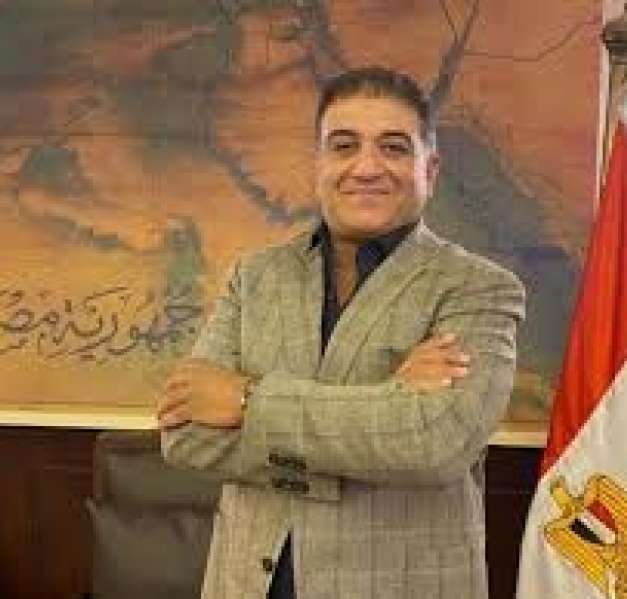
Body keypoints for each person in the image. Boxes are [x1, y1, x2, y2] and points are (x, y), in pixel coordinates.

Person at [157, 66, 525, 599]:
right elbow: (186, 437)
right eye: (344, 145)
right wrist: (385, 406)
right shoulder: (254, 277)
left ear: (430, 168)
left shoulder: (479, 289)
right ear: (319, 163)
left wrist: (245, 400)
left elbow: (435, 443)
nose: (366, 167)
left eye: (393, 147)